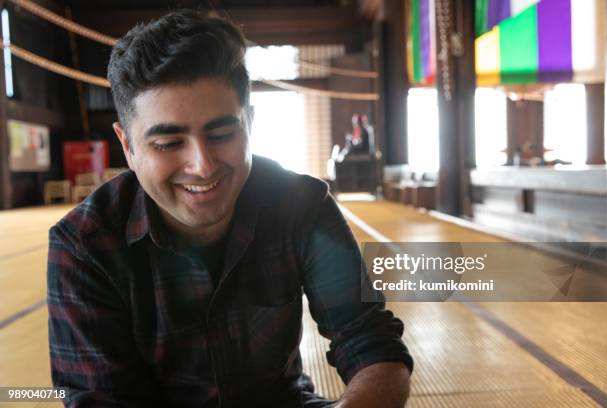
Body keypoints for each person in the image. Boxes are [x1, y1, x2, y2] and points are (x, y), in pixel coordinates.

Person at [47, 10, 413, 408]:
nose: (202, 165)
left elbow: (368, 339)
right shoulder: (84, 246)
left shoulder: (301, 206)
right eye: (168, 143)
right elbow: (101, 400)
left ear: (249, 124)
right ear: (127, 146)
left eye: (222, 134)